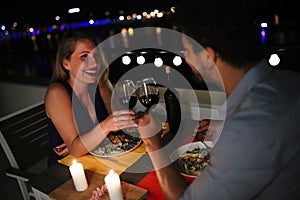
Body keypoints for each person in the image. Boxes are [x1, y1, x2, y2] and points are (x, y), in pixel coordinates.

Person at [137, 1, 300, 199]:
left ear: (208, 56)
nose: (185, 58)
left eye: (187, 50)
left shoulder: (246, 133)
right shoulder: (289, 80)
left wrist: (153, 143)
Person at [45, 30, 136, 166]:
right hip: (66, 170)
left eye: (96, 56)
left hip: (99, 159)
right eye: (84, 57)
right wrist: (104, 127)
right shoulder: (57, 93)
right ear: (66, 64)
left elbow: (120, 125)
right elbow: (76, 150)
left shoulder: (100, 84)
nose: (95, 63)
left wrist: (85, 142)